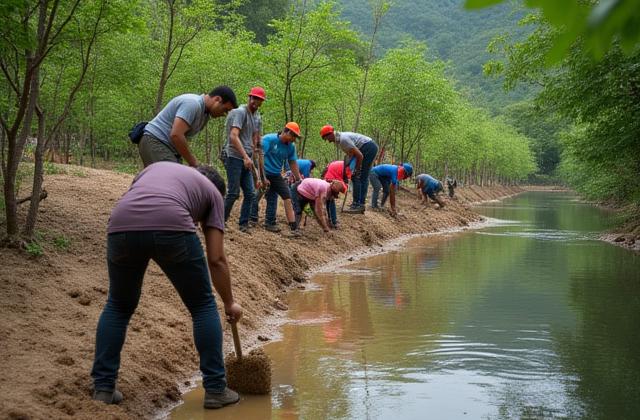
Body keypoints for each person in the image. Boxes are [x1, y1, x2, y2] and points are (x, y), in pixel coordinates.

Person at [90, 162, 243, 410]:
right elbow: (216, 258)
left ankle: (103, 388)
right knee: (203, 305)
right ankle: (216, 389)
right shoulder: (214, 193)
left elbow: (139, 203)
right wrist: (229, 302)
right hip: (171, 225)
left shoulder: (156, 168)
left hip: (120, 225)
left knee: (118, 306)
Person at [139, 86, 238, 167]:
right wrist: (193, 161)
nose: (224, 114)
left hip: (167, 147)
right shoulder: (192, 104)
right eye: (225, 110)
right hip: (155, 141)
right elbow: (176, 135)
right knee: (171, 182)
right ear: (217, 99)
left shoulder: (205, 114)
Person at [222, 87, 266, 233]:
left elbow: (255, 141)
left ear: (261, 102)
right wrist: (246, 157)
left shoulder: (257, 117)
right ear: (249, 98)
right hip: (234, 156)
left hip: (247, 158)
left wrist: (259, 173)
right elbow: (233, 136)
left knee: (250, 193)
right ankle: (219, 222)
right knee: (233, 193)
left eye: (258, 100)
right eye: (253, 98)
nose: (255, 102)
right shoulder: (240, 112)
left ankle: (243, 224)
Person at [251, 122, 303, 235]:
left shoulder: (291, 147)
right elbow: (258, 157)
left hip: (276, 174)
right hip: (263, 171)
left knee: (286, 196)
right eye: (293, 136)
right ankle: (252, 217)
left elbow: (292, 162)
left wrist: (299, 179)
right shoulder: (268, 139)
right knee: (257, 194)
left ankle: (290, 226)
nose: (294, 139)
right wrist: (262, 177)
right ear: (286, 132)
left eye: (296, 137)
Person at [320, 125, 379, 214]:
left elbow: (359, 155)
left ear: (330, 134)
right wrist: (349, 167)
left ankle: (359, 205)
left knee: (361, 176)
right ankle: (356, 203)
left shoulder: (343, 140)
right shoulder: (338, 140)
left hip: (369, 147)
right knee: (355, 176)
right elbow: (350, 154)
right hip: (363, 149)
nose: (328, 141)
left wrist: (357, 169)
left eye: (326, 138)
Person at [322, 160, 355, 228]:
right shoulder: (348, 168)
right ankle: (334, 221)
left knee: (328, 200)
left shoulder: (344, 163)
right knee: (331, 200)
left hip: (328, 177)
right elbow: (344, 184)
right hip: (331, 179)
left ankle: (330, 220)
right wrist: (344, 189)